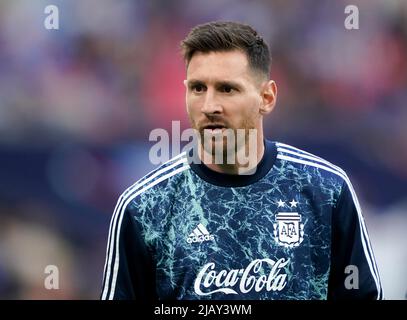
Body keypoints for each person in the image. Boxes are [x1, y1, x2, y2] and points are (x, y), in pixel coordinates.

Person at [100, 21, 383, 300]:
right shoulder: (145, 205)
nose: (209, 106)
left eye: (227, 89)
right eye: (198, 88)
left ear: (267, 97)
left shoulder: (325, 190)